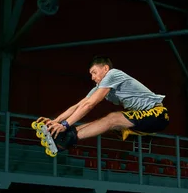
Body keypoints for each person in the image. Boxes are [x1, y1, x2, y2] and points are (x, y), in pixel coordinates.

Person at [38, 56, 170, 152]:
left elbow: (90, 104)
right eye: (90, 74)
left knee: (112, 118)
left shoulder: (113, 74)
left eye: (94, 72)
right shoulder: (99, 87)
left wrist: (66, 124)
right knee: (105, 121)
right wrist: (57, 121)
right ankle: (64, 137)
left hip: (157, 114)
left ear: (105, 68)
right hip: (142, 117)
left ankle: (66, 139)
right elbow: (79, 105)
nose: (92, 77)